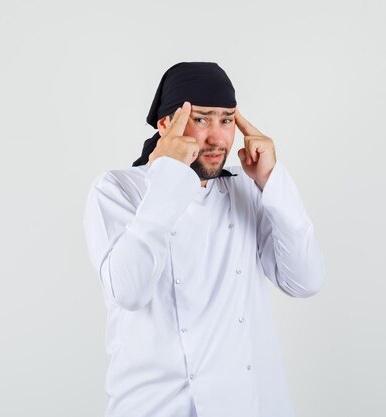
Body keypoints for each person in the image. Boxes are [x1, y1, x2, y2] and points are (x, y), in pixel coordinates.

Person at [83, 62, 325, 417]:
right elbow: (129, 291)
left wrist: (272, 181)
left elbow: (306, 281)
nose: (217, 137)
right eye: (201, 119)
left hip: (246, 403)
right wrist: (170, 177)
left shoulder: (247, 187)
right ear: (166, 124)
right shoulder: (117, 190)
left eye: (226, 120)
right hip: (157, 406)